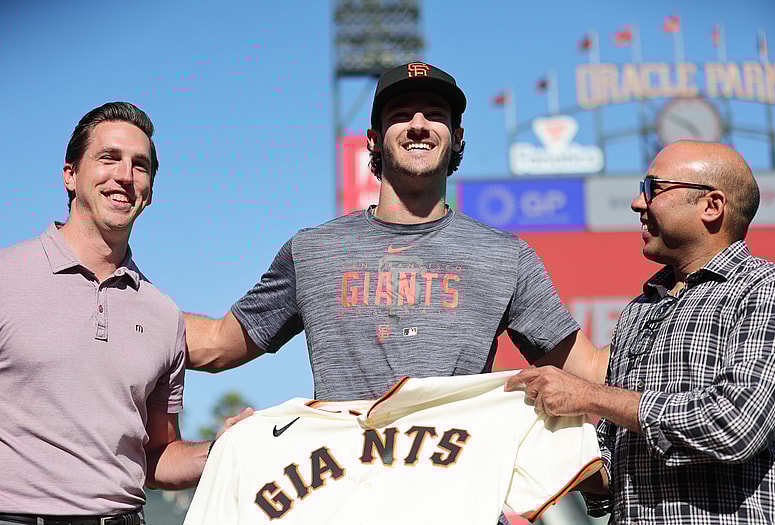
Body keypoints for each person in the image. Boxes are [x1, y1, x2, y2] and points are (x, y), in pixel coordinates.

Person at [185, 63, 607, 522]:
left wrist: (684, 319)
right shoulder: (313, 250)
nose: (419, 125)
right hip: (339, 503)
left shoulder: (505, 256)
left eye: (435, 114)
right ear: (373, 138)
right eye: (402, 114)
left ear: (458, 137)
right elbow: (215, 345)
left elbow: (589, 371)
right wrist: (110, 301)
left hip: (457, 506)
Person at [506, 141, 775, 523]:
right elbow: (612, 463)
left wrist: (590, 396)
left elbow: (736, 423)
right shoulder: (638, 312)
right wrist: (528, 452)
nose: (638, 203)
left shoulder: (767, 289)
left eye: (653, 188)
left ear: (712, 206)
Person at [0, 102, 246, 525]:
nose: (125, 176)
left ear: (150, 191)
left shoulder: (163, 315)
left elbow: (155, 456)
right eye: (108, 158)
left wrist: (227, 448)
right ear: (70, 174)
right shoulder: (7, 277)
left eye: (140, 165)